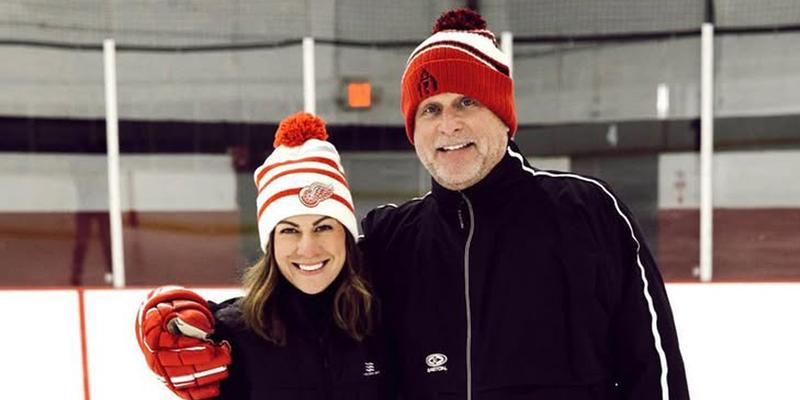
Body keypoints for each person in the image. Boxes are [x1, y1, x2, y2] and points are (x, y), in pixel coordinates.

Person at [358, 8, 690, 400]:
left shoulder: (587, 211)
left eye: (467, 102)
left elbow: (652, 366)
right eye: (431, 109)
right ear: (414, 131)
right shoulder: (389, 240)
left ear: (502, 113)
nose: (448, 124)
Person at [135, 112, 392, 399]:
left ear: (345, 234)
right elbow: (176, 327)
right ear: (270, 244)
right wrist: (164, 325)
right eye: (289, 231)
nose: (308, 248)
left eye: (323, 227)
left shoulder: (386, 319)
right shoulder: (231, 337)